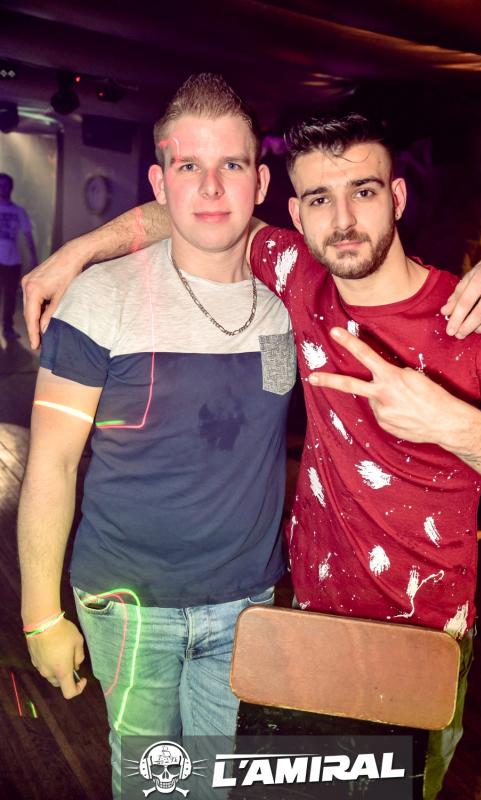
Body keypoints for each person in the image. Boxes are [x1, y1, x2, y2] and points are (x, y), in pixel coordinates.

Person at [20, 84, 481, 799]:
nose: (343, 220)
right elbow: (195, 207)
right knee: (212, 786)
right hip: (298, 627)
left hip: (420, 639)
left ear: (398, 196)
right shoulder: (297, 277)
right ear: (293, 212)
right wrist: (72, 255)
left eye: (363, 191)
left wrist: (450, 421)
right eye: (320, 198)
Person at [18, 74, 294, 799]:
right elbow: (51, 463)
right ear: (158, 181)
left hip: (247, 602)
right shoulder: (98, 297)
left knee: (219, 788)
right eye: (187, 165)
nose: (211, 186)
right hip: (127, 604)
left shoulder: (290, 303)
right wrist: (40, 615)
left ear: (261, 181)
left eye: (231, 164)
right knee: (154, 786)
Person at [0, 172, 37, 339]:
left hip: (12, 262)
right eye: (0, 185)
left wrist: (33, 257)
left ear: (11, 188)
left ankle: (7, 328)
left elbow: (28, 235)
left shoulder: (19, 211)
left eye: (5, 185)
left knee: (10, 298)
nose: (2, 188)